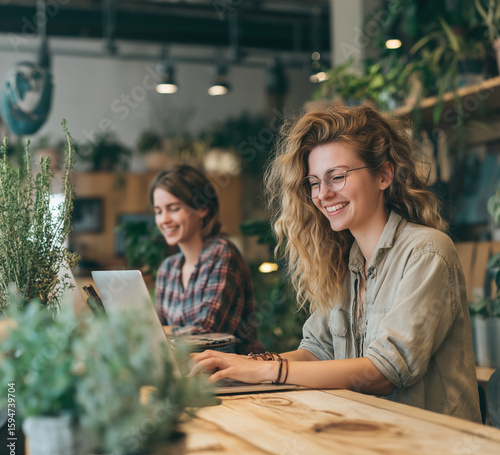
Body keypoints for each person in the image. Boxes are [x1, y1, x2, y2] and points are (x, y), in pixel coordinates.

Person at [192, 105, 481, 422]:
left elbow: (385, 371)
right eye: (314, 182)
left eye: (337, 177)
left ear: (383, 175)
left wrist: (264, 369)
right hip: (371, 439)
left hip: (436, 453)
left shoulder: (427, 252)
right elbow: (317, 351)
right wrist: (236, 366)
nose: (323, 194)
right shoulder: (347, 261)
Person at [150, 164, 263, 354]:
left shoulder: (222, 253)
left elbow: (207, 335)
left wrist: (160, 332)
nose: (164, 220)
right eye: (158, 211)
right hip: (189, 376)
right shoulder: (167, 269)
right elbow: (155, 333)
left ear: (202, 208)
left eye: (174, 208)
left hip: (237, 376)